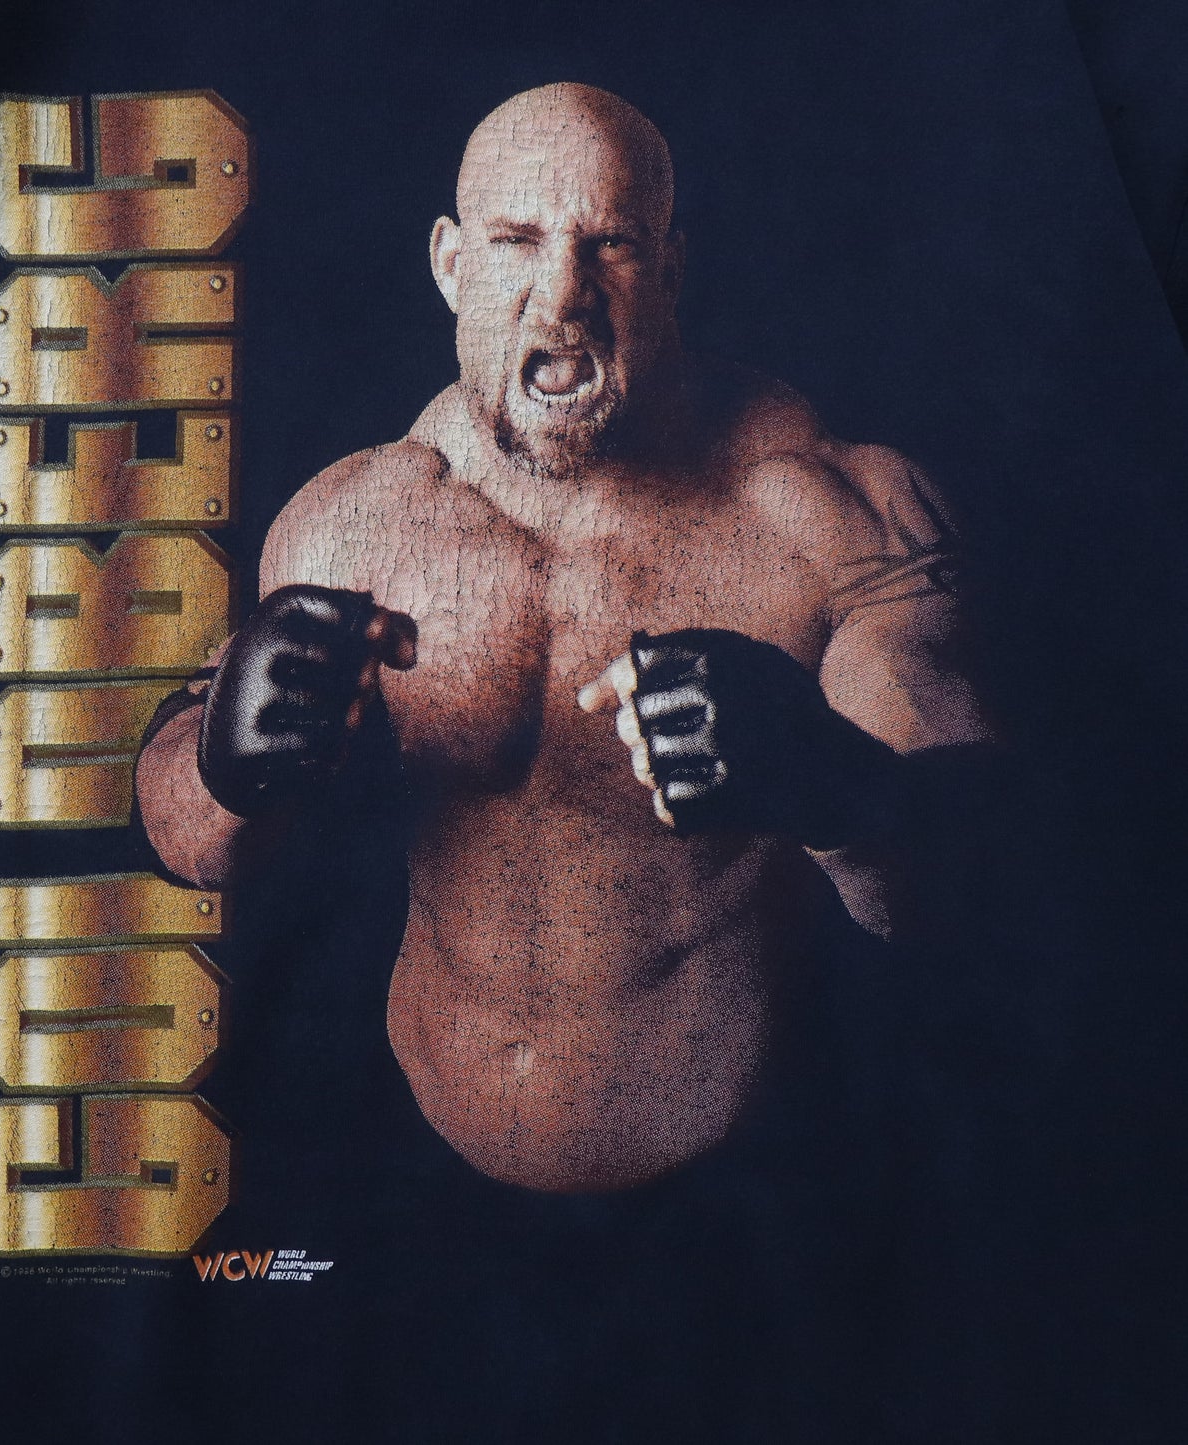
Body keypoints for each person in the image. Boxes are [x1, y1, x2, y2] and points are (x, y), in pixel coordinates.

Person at [134, 82, 992, 1192]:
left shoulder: (828, 514)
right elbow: (199, 849)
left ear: (670, 269)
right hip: (414, 1150)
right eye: (516, 241)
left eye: (610, 244)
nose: (562, 296)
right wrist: (219, 764)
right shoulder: (354, 523)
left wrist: (838, 787)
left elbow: (980, 889)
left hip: (743, 1186)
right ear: (450, 265)